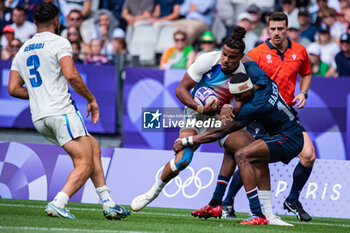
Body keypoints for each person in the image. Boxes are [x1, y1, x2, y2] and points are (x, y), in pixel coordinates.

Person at [131, 26, 268, 224]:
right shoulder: (207, 60)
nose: (225, 60)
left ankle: (255, 211)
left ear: (240, 58)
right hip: (195, 115)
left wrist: (230, 109)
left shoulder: (243, 73)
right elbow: (181, 90)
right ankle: (152, 192)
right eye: (224, 54)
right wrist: (200, 108)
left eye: (231, 57)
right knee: (183, 161)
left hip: (220, 119)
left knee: (246, 151)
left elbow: (243, 102)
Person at [8, 3, 130, 220]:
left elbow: (13, 89)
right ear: (57, 20)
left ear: (35, 22)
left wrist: (40, 93)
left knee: (92, 146)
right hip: (61, 112)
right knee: (85, 163)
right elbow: (71, 75)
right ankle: (59, 202)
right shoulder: (59, 42)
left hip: (39, 118)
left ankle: (108, 203)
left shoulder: (22, 50)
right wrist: (91, 99)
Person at [173, 63, 305, 225]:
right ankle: (218, 203)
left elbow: (220, 132)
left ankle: (257, 213)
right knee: (235, 148)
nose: (236, 100)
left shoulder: (254, 106)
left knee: (242, 154)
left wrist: (186, 141)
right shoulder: (262, 79)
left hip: (289, 139)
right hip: (286, 132)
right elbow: (247, 59)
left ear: (246, 93)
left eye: (238, 98)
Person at [219, 12, 316, 222]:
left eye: (281, 28)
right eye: (272, 29)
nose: (276, 33)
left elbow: (306, 73)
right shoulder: (256, 53)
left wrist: (303, 92)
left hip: (284, 115)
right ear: (268, 29)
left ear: (287, 29)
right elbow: (238, 77)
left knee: (308, 156)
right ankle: (227, 202)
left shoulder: (299, 51)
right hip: (260, 115)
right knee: (251, 158)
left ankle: (292, 199)